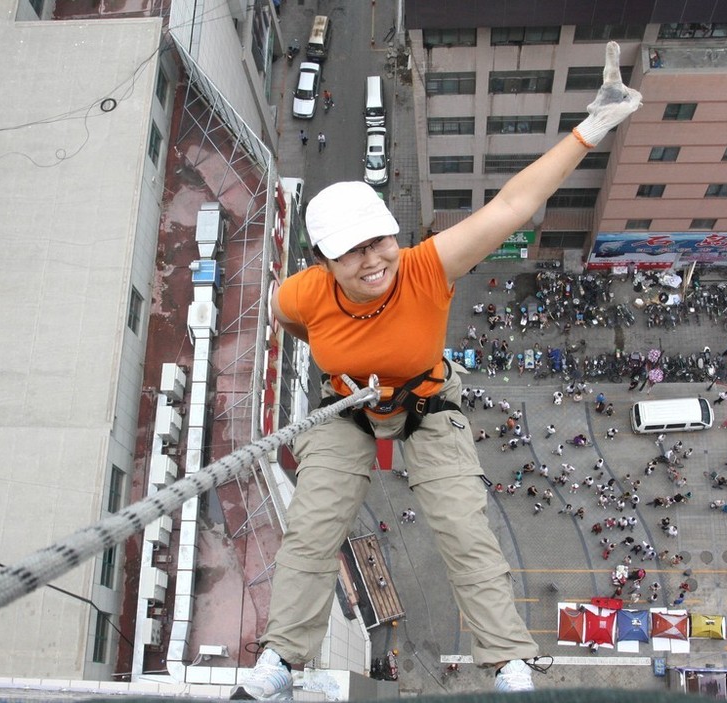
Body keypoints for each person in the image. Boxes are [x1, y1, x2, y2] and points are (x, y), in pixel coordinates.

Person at [228, 42, 643, 700]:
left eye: (380, 239)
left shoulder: (425, 267)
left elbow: (511, 206)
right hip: (348, 407)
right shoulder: (299, 295)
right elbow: (297, 329)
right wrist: (346, 368)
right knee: (312, 529)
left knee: (463, 526)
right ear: (322, 260)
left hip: (425, 403)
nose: (373, 260)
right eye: (351, 252)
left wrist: (588, 131)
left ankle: (508, 659)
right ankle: (282, 656)